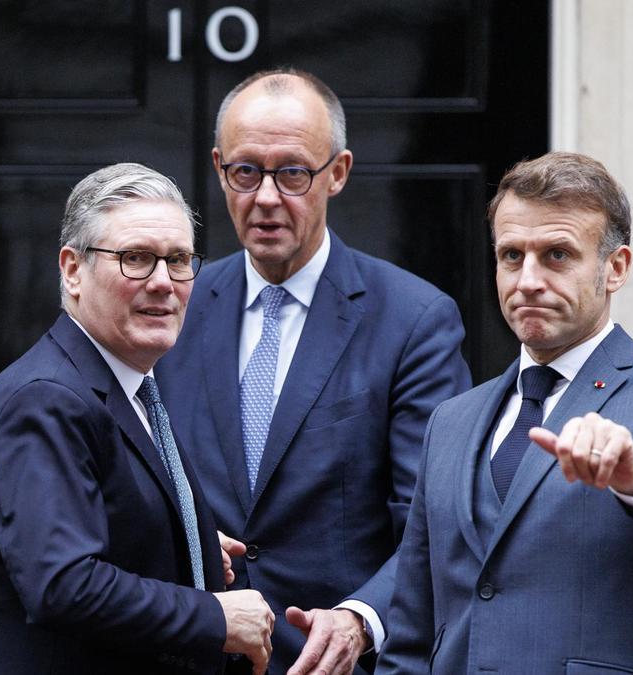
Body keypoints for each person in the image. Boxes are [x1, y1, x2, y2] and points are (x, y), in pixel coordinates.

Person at [376, 151, 633, 674]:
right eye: (511, 256)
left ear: (614, 268)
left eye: (556, 255)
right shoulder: (452, 419)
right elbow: (413, 625)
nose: (527, 280)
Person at [155, 68, 472, 675]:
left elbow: (436, 520)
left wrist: (362, 617)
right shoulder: (178, 305)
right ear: (220, 169)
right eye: (246, 171)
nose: (267, 197)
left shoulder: (413, 320)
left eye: (293, 172)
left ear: (339, 173)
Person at [0, 163, 275, 674]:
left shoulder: (129, 386)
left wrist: (186, 542)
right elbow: (62, 584)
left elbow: (94, 527)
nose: (164, 282)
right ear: (72, 270)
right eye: (136, 258)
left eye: (179, 260)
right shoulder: (45, 398)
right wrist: (213, 617)